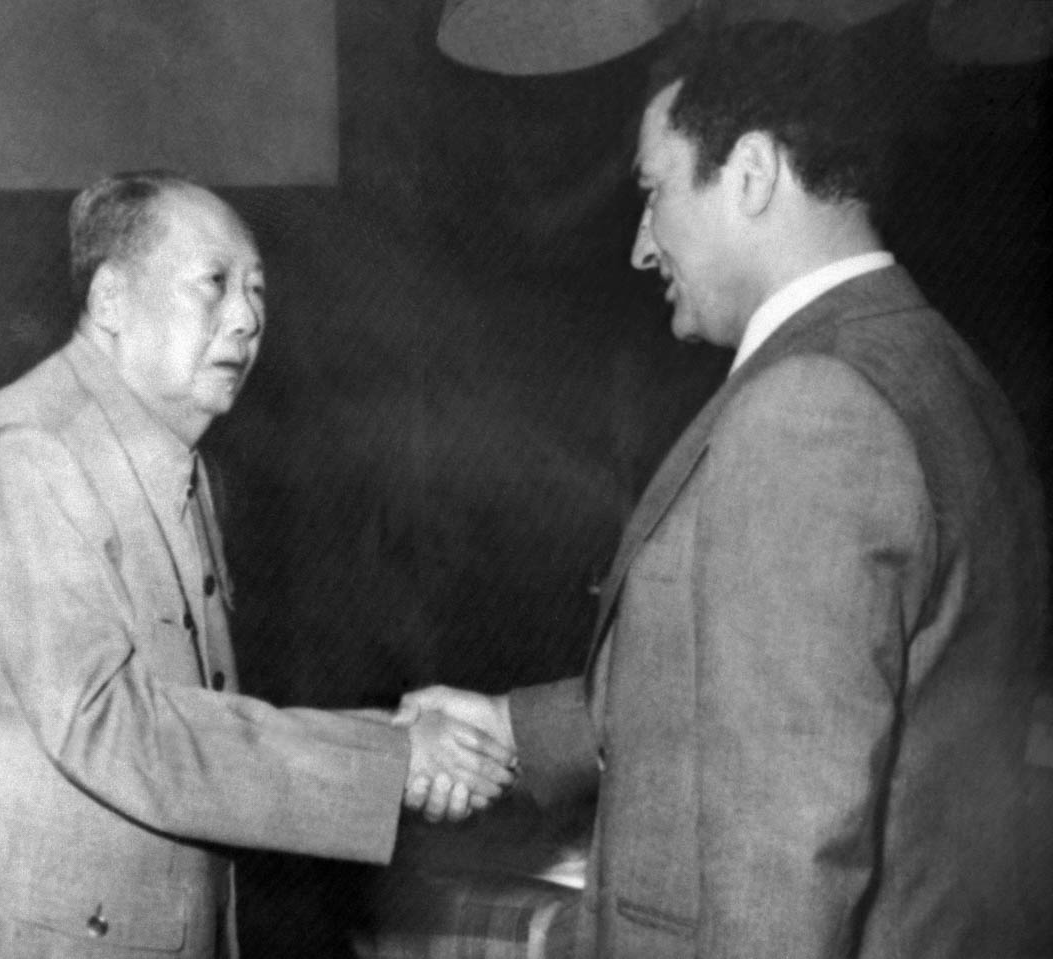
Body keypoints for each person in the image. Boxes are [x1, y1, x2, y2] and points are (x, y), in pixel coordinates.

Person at [399, 20, 1052, 958]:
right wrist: (510, 726)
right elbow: (803, 679)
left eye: (654, 192)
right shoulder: (934, 366)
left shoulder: (811, 409)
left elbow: (787, 855)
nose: (639, 245)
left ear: (749, 174)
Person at [0, 171, 515, 959]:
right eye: (214, 284)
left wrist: (387, 738)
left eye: (258, 290)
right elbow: (112, 725)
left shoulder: (169, 456)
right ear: (110, 300)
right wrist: (391, 760)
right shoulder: (37, 448)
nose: (247, 318)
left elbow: (190, 718)